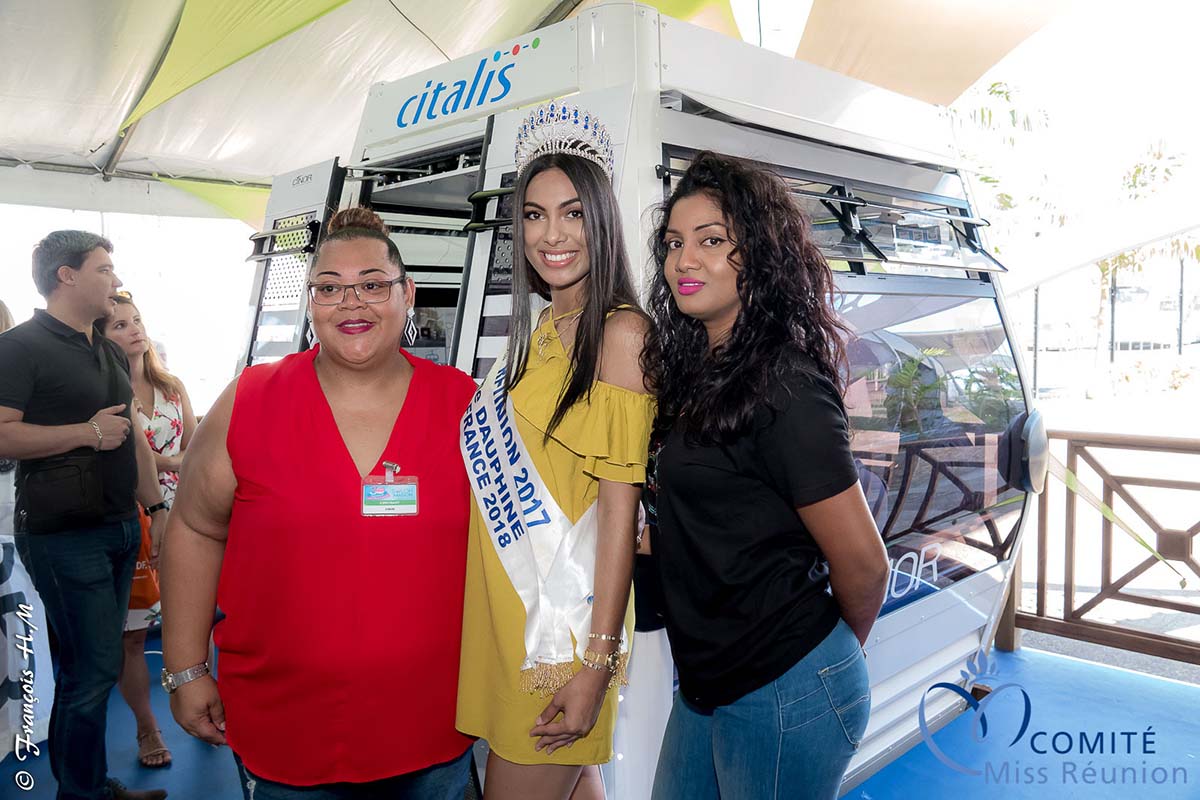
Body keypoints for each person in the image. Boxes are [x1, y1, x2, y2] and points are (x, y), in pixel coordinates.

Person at [160, 207, 478, 799]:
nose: (351, 303)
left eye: (372, 285)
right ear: (310, 301)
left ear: (407, 293)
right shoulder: (250, 400)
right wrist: (185, 667)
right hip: (286, 731)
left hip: (433, 730)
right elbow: (196, 530)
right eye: (329, 288)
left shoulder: (467, 407)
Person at [642, 152, 890, 800]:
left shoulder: (786, 384)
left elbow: (864, 565)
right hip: (705, 685)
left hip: (787, 685)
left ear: (760, 253)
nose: (684, 260)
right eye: (673, 244)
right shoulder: (696, 369)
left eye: (712, 241)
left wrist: (822, 663)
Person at [455, 102, 653, 800]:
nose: (552, 234)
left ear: (600, 221)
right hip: (514, 605)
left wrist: (596, 663)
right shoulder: (539, 331)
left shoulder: (620, 335)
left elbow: (619, 508)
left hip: (564, 630)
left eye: (572, 213)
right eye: (534, 215)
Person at [0, 231, 168, 800]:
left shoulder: (103, 346)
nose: (114, 281)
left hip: (118, 526)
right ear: (66, 276)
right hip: (63, 536)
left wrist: (157, 507)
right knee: (90, 673)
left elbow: (135, 438)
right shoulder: (20, 347)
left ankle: (91, 785)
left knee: (91, 670)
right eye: (104, 269)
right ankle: (82, 794)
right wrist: (86, 433)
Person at [99, 294, 197, 768]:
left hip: (186, 518)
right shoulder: (103, 391)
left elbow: (195, 445)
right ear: (101, 335)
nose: (133, 330)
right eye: (119, 324)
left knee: (198, 619)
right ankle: (147, 728)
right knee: (133, 635)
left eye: (135, 321)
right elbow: (120, 450)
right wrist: (170, 462)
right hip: (130, 517)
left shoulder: (172, 386)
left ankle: (207, 704)